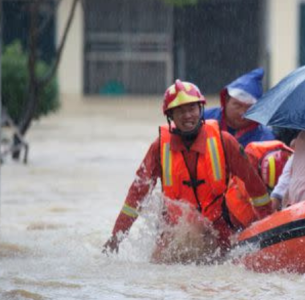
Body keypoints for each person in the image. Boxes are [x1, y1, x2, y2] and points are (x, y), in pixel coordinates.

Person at [103, 80, 273, 262]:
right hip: (174, 234)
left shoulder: (225, 142)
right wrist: (116, 237)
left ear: (201, 109)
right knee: (163, 256)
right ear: (171, 116)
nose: (188, 115)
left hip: (219, 233)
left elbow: (254, 186)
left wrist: (268, 225)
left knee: (195, 237)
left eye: (192, 108)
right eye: (181, 111)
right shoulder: (159, 148)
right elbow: (135, 198)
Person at [203, 68, 275, 146]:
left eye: (249, 108)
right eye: (237, 106)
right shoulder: (203, 119)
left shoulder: (265, 138)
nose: (242, 112)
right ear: (226, 101)